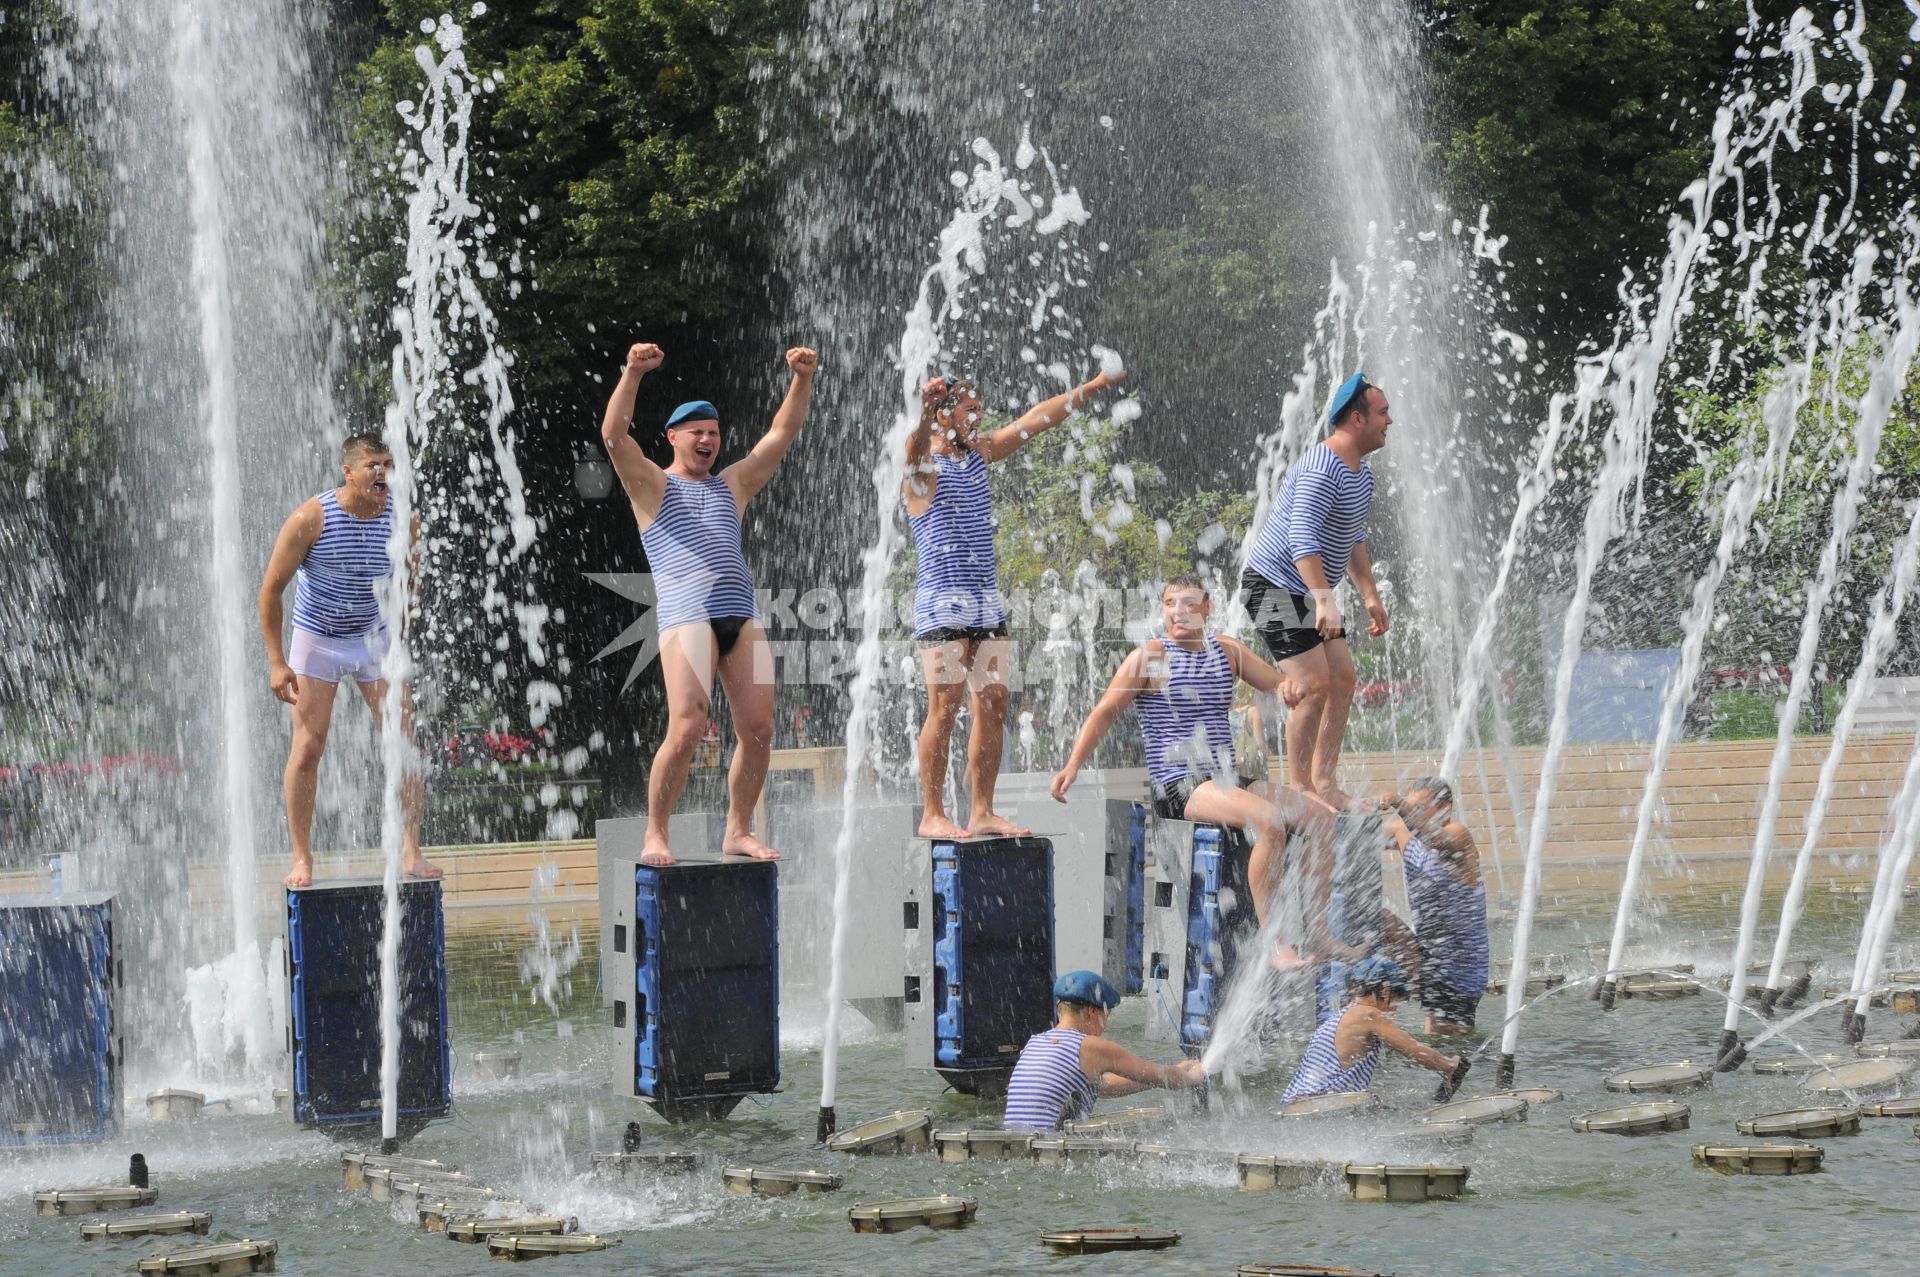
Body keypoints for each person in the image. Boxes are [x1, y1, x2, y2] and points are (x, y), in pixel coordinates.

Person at [601, 341, 818, 866]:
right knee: (688, 725)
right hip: (685, 615)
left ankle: (737, 829)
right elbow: (613, 436)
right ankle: (656, 833)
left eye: (714, 432)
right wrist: (632, 373)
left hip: (740, 613)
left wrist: (802, 379)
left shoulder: (732, 484)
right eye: (696, 432)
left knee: (761, 730)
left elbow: (781, 434)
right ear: (673, 438)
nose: (707, 439)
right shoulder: (653, 486)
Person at [1050, 576, 1340, 966]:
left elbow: (1278, 684)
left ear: (1208, 608)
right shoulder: (1150, 658)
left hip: (1223, 778)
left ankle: (1320, 935)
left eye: (1189, 603)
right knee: (1269, 822)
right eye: (1170, 603)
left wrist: (1290, 688)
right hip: (1178, 785)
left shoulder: (1228, 651)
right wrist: (1072, 766)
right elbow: (1104, 712)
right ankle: (1276, 944)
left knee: (1321, 820)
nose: (1177, 612)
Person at [907, 366, 1127, 840]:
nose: (979, 416)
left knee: (993, 703)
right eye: (969, 409)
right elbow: (913, 449)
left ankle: (982, 810)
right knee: (944, 708)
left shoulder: (979, 454)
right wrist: (925, 415)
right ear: (943, 416)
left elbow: (1034, 421)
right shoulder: (923, 471)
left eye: (978, 408)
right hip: (942, 605)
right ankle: (932, 813)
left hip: (986, 604)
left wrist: (1087, 389)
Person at [259, 433, 439, 889]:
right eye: (372, 466)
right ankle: (302, 857)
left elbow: (412, 575)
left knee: (404, 743)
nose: (382, 473)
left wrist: (402, 622)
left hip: (372, 637)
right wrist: (277, 662)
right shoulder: (312, 518)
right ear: (349, 472)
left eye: (387, 464)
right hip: (317, 639)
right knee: (308, 747)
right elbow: (270, 591)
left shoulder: (403, 520)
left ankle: (411, 852)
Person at [1240, 371, 1391, 807]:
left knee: (1343, 678)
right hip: (1271, 586)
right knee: (1312, 685)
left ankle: (1324, 783)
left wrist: (1369, 594)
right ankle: (1299, 788)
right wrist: (1324, 598)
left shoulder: (1361, 476)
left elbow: (1353, 537)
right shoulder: (1320, 468)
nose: (1390, 421)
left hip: (1305, 589)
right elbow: (1301, 538)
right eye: (1382, 413)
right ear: (1357, 420)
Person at [1003, 970, 1206, 1130]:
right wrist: (1196, 1077)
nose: (1106, 1024)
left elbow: (1103, 1086)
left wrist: (1174, 1069)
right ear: (1092, 1012)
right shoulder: (1090, 1046)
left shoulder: (1035, 1042)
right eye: (1106, 1015)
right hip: (1049, 1148)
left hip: (1013, 1144)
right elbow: (1160, 1076)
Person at [1279, 956, 1465, 1103]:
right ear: (1385, 992)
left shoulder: (1343, 1014)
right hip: (1322, 1104)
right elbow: (1413, 1049)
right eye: (1396, 1001)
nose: (1395, 1010)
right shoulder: (1368, 1015)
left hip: (1299, 1104)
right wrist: (1448, 1066)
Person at [1383, 779, 1488, 1034]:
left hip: (1460, 967)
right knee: (1379, 920)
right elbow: (1360, 833)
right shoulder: (1402, 832)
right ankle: (1373, 1010)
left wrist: (1398, 803)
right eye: (1410, 808)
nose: (1409, 814)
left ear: (1445, 807)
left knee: (1450, 1038)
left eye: (1418, 808)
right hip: (1427, 955)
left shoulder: (1457, 834)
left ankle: (1472, 1066)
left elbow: (1435, 839)